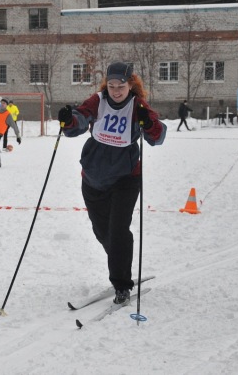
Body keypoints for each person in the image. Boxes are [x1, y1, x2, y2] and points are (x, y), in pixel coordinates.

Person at [57, 62, 166, 305]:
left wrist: (148, 123)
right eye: (112, 86)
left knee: (118, 232)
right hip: (93, 177)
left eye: (121, 86)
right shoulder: (98, 100)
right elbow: (79, 120)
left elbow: (157, 136)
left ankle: (122, 285)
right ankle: (120, 260)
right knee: (102, 231)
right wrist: (69, 120)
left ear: (131, 85)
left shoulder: (137, 105)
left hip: (125, 178)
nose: (116, 91)